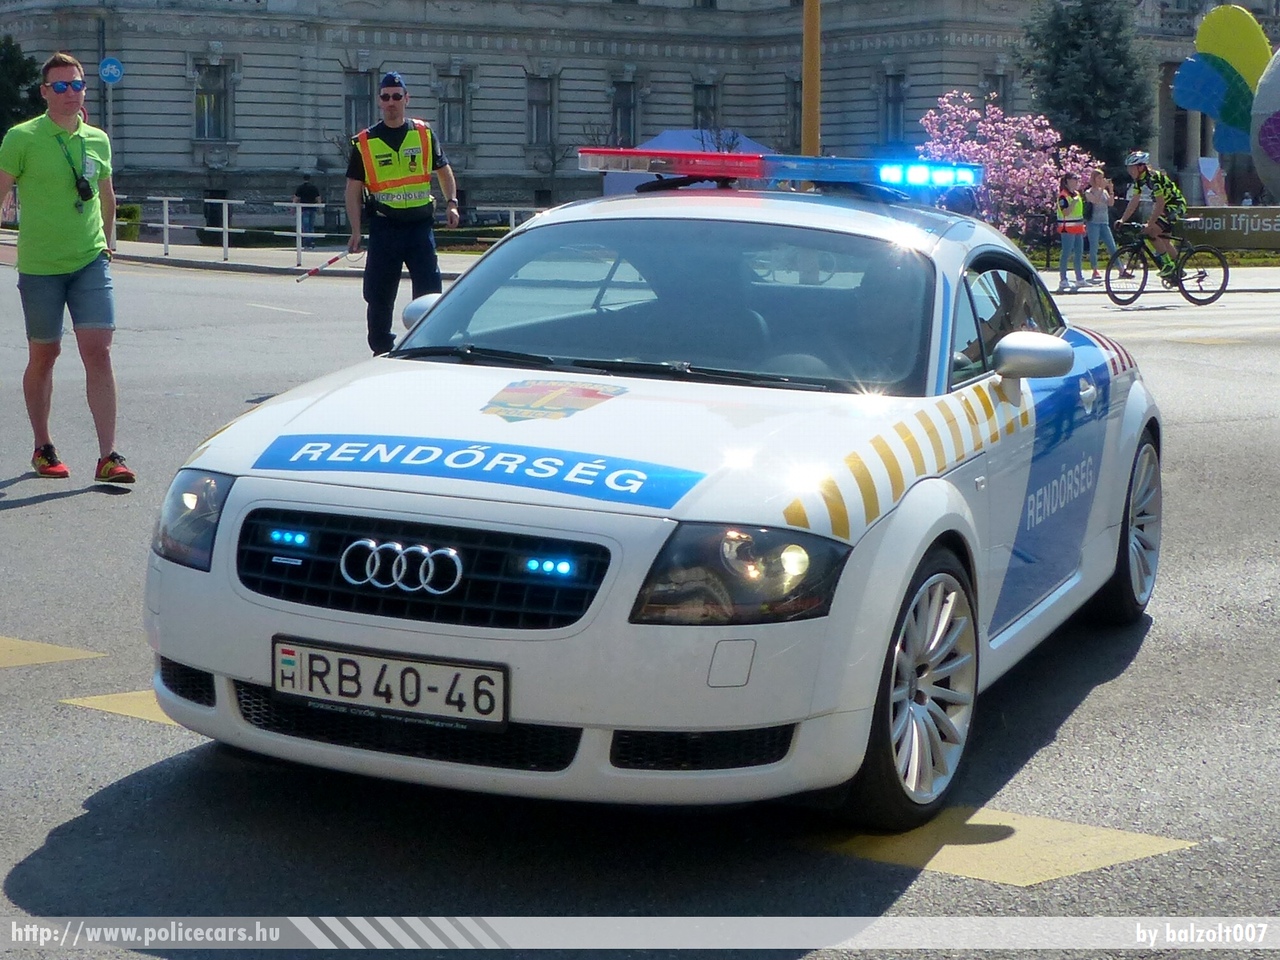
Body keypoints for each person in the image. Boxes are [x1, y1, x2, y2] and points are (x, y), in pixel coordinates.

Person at [0, 52, 135, 483]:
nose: (69, 93)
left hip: (90, 260)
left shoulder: (97, 139)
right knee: (46, 353)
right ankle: (43, 445)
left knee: (99, 351)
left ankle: (109, 456)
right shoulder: (21, 138)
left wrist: (108, 246)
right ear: (44, 92)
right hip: (40, 266)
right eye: (59, 86)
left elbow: (107, 196)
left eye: (76, 85)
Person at [345, 70, 460, 355]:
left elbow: (443, 171)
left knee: (429, 291)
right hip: (385, 228)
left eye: (397, 96)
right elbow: (352, 189)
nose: (391, 102)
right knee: (379, 295)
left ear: (407, 99)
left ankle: (427, 346)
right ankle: (382, 349)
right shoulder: (365, 142)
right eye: (386, 97)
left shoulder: (422, 133)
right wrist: (356, 230)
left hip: (419, 227)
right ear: (379, 102)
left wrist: (452, 202)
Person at [1117, 150, 1187, 281]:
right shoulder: (1139, 180)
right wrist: (1122, 219)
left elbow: (1160, 204)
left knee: (1151, 231)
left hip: (1175, 205)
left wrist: (1150, 223)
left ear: (1141, 167)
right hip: (1165, 207)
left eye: (1132, 168)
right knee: (1164, 241)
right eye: (1128, 168)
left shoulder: (1153, 178)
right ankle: (1178, 269)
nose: (1130, 171)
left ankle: (1168, 265)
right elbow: (1134, 202)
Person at [1084, 167, 1118, 283]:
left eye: (1102, 178)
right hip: (1093, 222)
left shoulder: (1104, 191)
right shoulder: (1089, 192)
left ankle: (1121, 269)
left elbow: (1111, 203)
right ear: (1094, 179)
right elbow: (1096, 201)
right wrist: (1102, 188)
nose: (1101, 180)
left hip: (1104, 222)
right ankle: (1095, 269)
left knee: (1112, 246)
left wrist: (1111, 190)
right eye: (1099, 178)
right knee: (1094, 247)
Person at [1055, 172, 1086, 293]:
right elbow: (1066, 212)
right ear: (1067, 181)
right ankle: (1063, 279)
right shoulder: (1063, 196)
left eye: (1077, 179)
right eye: (1074, 179)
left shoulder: (1077, 194)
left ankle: (1079, 278)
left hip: (1078, 228)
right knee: (1066, 253)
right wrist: (1073, 202)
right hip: (1067, 228)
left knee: (1079, 253)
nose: (1077, 181)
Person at [291, 173, 322, 248]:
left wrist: (292, 208)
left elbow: (296, 198)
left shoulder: (300, 188)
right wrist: (320, 208)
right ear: (310, 179)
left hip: (304, 208)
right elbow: (318, 198)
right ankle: (311, 241)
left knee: (305, 226)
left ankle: (306, 242)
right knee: (311, 226)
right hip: (312, 208)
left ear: (303, 179)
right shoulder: (314, 187)